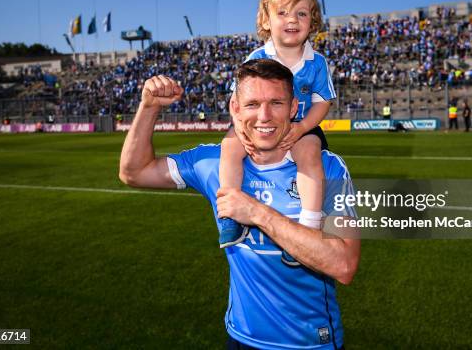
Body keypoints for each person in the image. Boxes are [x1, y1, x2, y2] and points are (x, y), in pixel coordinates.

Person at [119, 59, 360, 349]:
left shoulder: (329, 168)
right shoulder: (213, 163)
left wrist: (258, 213)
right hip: (240, 339)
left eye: (276, 103)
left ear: (294, 107)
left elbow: (344, 265)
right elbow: (133, 172)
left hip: (311, 342)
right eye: (252, 104)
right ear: (235, 108)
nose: (264, 116)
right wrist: (149, 108)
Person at [218, 0, 335, 267]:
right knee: (229, 147)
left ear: (313, 21)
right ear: (266, 21)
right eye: (282, 13)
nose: (292, 20)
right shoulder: (256, 58)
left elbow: (323, 102)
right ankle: (231, 214)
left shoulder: (317, 62)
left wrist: (302, 127)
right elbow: (236, 101)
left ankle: (309, 226)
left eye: (301, 13)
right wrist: (242, 132)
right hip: (259, 125)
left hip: (300, 125)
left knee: (310, 154)